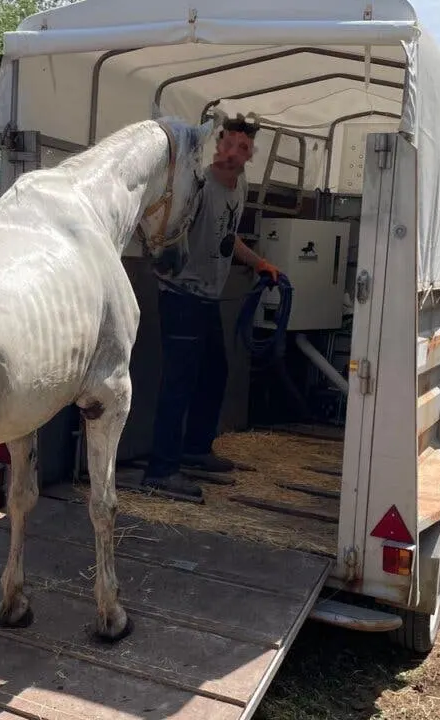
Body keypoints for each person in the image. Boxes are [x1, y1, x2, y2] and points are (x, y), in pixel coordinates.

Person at [143, 113, 281, 500]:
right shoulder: (199, 186)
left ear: (250, 154)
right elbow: (169, 228)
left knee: (214, 373)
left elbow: (228, 235)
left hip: (208, 296)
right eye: (228, 144)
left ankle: (195, 449)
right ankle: (161, 470)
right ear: (217, 145)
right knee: (179, 383)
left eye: (242, 147)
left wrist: (259, 263)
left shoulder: (241, 186)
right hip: (182, 294)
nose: (233, 152)